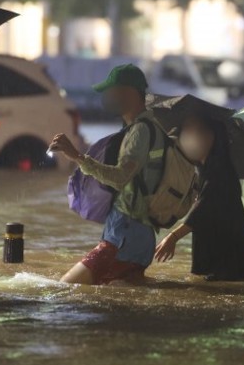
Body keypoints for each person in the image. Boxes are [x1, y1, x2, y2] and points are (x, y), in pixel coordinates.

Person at [50, 64, 166, 285]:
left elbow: (120, 177)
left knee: (65, 288)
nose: (107, 98)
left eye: (111, 92)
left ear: (129, 94)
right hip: (138, 237)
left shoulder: (139, 132)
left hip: (124, 238)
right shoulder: (151, 127)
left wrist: (77, 156)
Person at [154, 115, 244, 281]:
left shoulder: (220, 172)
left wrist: (172, 237)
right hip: (224, 259)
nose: (190, 138)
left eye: (198, 132)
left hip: (227, 261)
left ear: (212, 136)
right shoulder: (206, 169)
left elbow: (201, 210)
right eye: (187, 132)